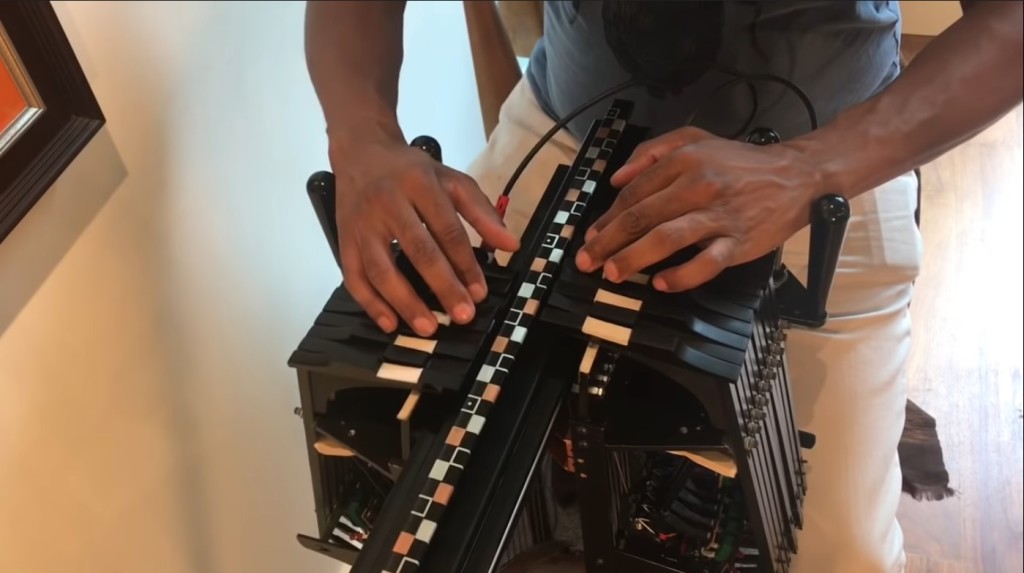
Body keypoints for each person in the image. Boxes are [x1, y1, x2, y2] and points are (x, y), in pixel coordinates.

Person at [303, 1, 1022, 571]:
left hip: (829, 157)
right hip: (565, 131)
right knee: (431, 498)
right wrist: (361, 136)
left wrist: (814, 169)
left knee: (843, 554)